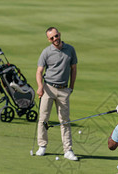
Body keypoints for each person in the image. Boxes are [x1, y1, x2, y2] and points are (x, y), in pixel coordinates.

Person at [35, 27, 78, 161]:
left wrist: (71, 87)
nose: (55, 39)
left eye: (56, 36)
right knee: (43, 118)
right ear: (49, 39)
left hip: (64, 89)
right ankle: (42, 146)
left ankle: (68, 150)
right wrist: (40, 87)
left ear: (59, 35)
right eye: (52, 38)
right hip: (48, 88)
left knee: (64, 120)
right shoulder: (46, 52)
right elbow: (39, 72)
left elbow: (74, 69)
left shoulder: (70, 49)